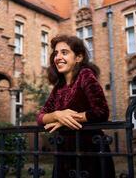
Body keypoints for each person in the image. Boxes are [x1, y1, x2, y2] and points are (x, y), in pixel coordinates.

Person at [36, 35, 115, 178]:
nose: (58, 57)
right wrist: (57, 115)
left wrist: (65, 120)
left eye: (64, 52)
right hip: (64, 154)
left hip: (90, 152)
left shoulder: (85, 75)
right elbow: (40, 117)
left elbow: (101, 112)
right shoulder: (58, 87)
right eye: (56, 53)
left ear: (78, 57)